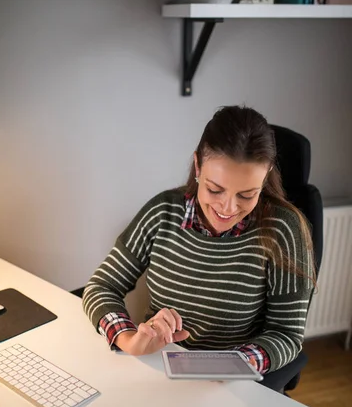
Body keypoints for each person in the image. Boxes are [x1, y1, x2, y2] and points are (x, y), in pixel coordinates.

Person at [83, 106, 315, 379]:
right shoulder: (162, 212)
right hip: (158, 369)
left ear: (265, 179)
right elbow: (101, 286)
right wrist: (128, 338)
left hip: (232, 382)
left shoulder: (283, 229)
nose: (228, 208)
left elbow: (286, 334)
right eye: (215, 189)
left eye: (247, 194)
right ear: (197, 166)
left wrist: (227, 365)